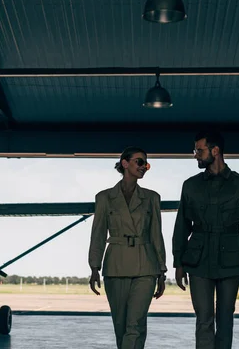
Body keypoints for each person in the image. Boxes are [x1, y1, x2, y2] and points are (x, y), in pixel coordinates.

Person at [172, 131, 239, 349]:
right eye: (195, 150)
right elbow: (181, 226)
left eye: (199, 150)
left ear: (215, 151)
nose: (196, 155)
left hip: (230, 258)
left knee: (225, 318)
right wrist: (178, 262)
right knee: (204, 318)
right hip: (198, 259)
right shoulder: (190, 185)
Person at [88, 146, 167, 349]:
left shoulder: (152, 198)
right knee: (121, 326)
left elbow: (156, 235)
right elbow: (98, 234)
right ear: (125, 163)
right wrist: (94, 267)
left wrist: (162, 270)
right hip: (115, 265)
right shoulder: (104, 198)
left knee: (135, 325)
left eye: (146, 164)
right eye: (140, 162)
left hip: (145, 266)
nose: (144, 167)